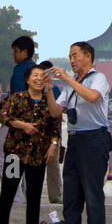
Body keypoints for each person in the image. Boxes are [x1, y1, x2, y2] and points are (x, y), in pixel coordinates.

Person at [42, 42, 111, 224]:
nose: (71, 60)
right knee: (71, 197)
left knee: (93, 197)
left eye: (75, 55)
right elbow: (55, 111)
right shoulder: (71, 85)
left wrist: (68, 79)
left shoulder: (97, 78)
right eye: (69, 56)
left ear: (88, 56)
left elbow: (92, 97)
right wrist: (49, 90)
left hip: (94, 140)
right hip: (75, 140)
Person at [0, 64, 61, 224]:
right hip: (15, 154)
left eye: (42, 76)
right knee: (8, 192)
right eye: (35, 75)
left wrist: (53, 146)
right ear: (28, 79)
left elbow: (55, 127)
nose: (38, 79)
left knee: (34, 194)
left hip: (38, 156)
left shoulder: (49, 102)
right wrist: (23, 126)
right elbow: (4, 117)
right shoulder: (17, 98)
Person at [37, 60, 64, 203]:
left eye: (49, 73)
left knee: (53, 162)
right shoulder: (34, 88)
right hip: (37, 130)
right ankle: (30, 193)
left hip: (53, 130)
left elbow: (58, 109)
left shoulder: (56, 89)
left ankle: (55, 194)